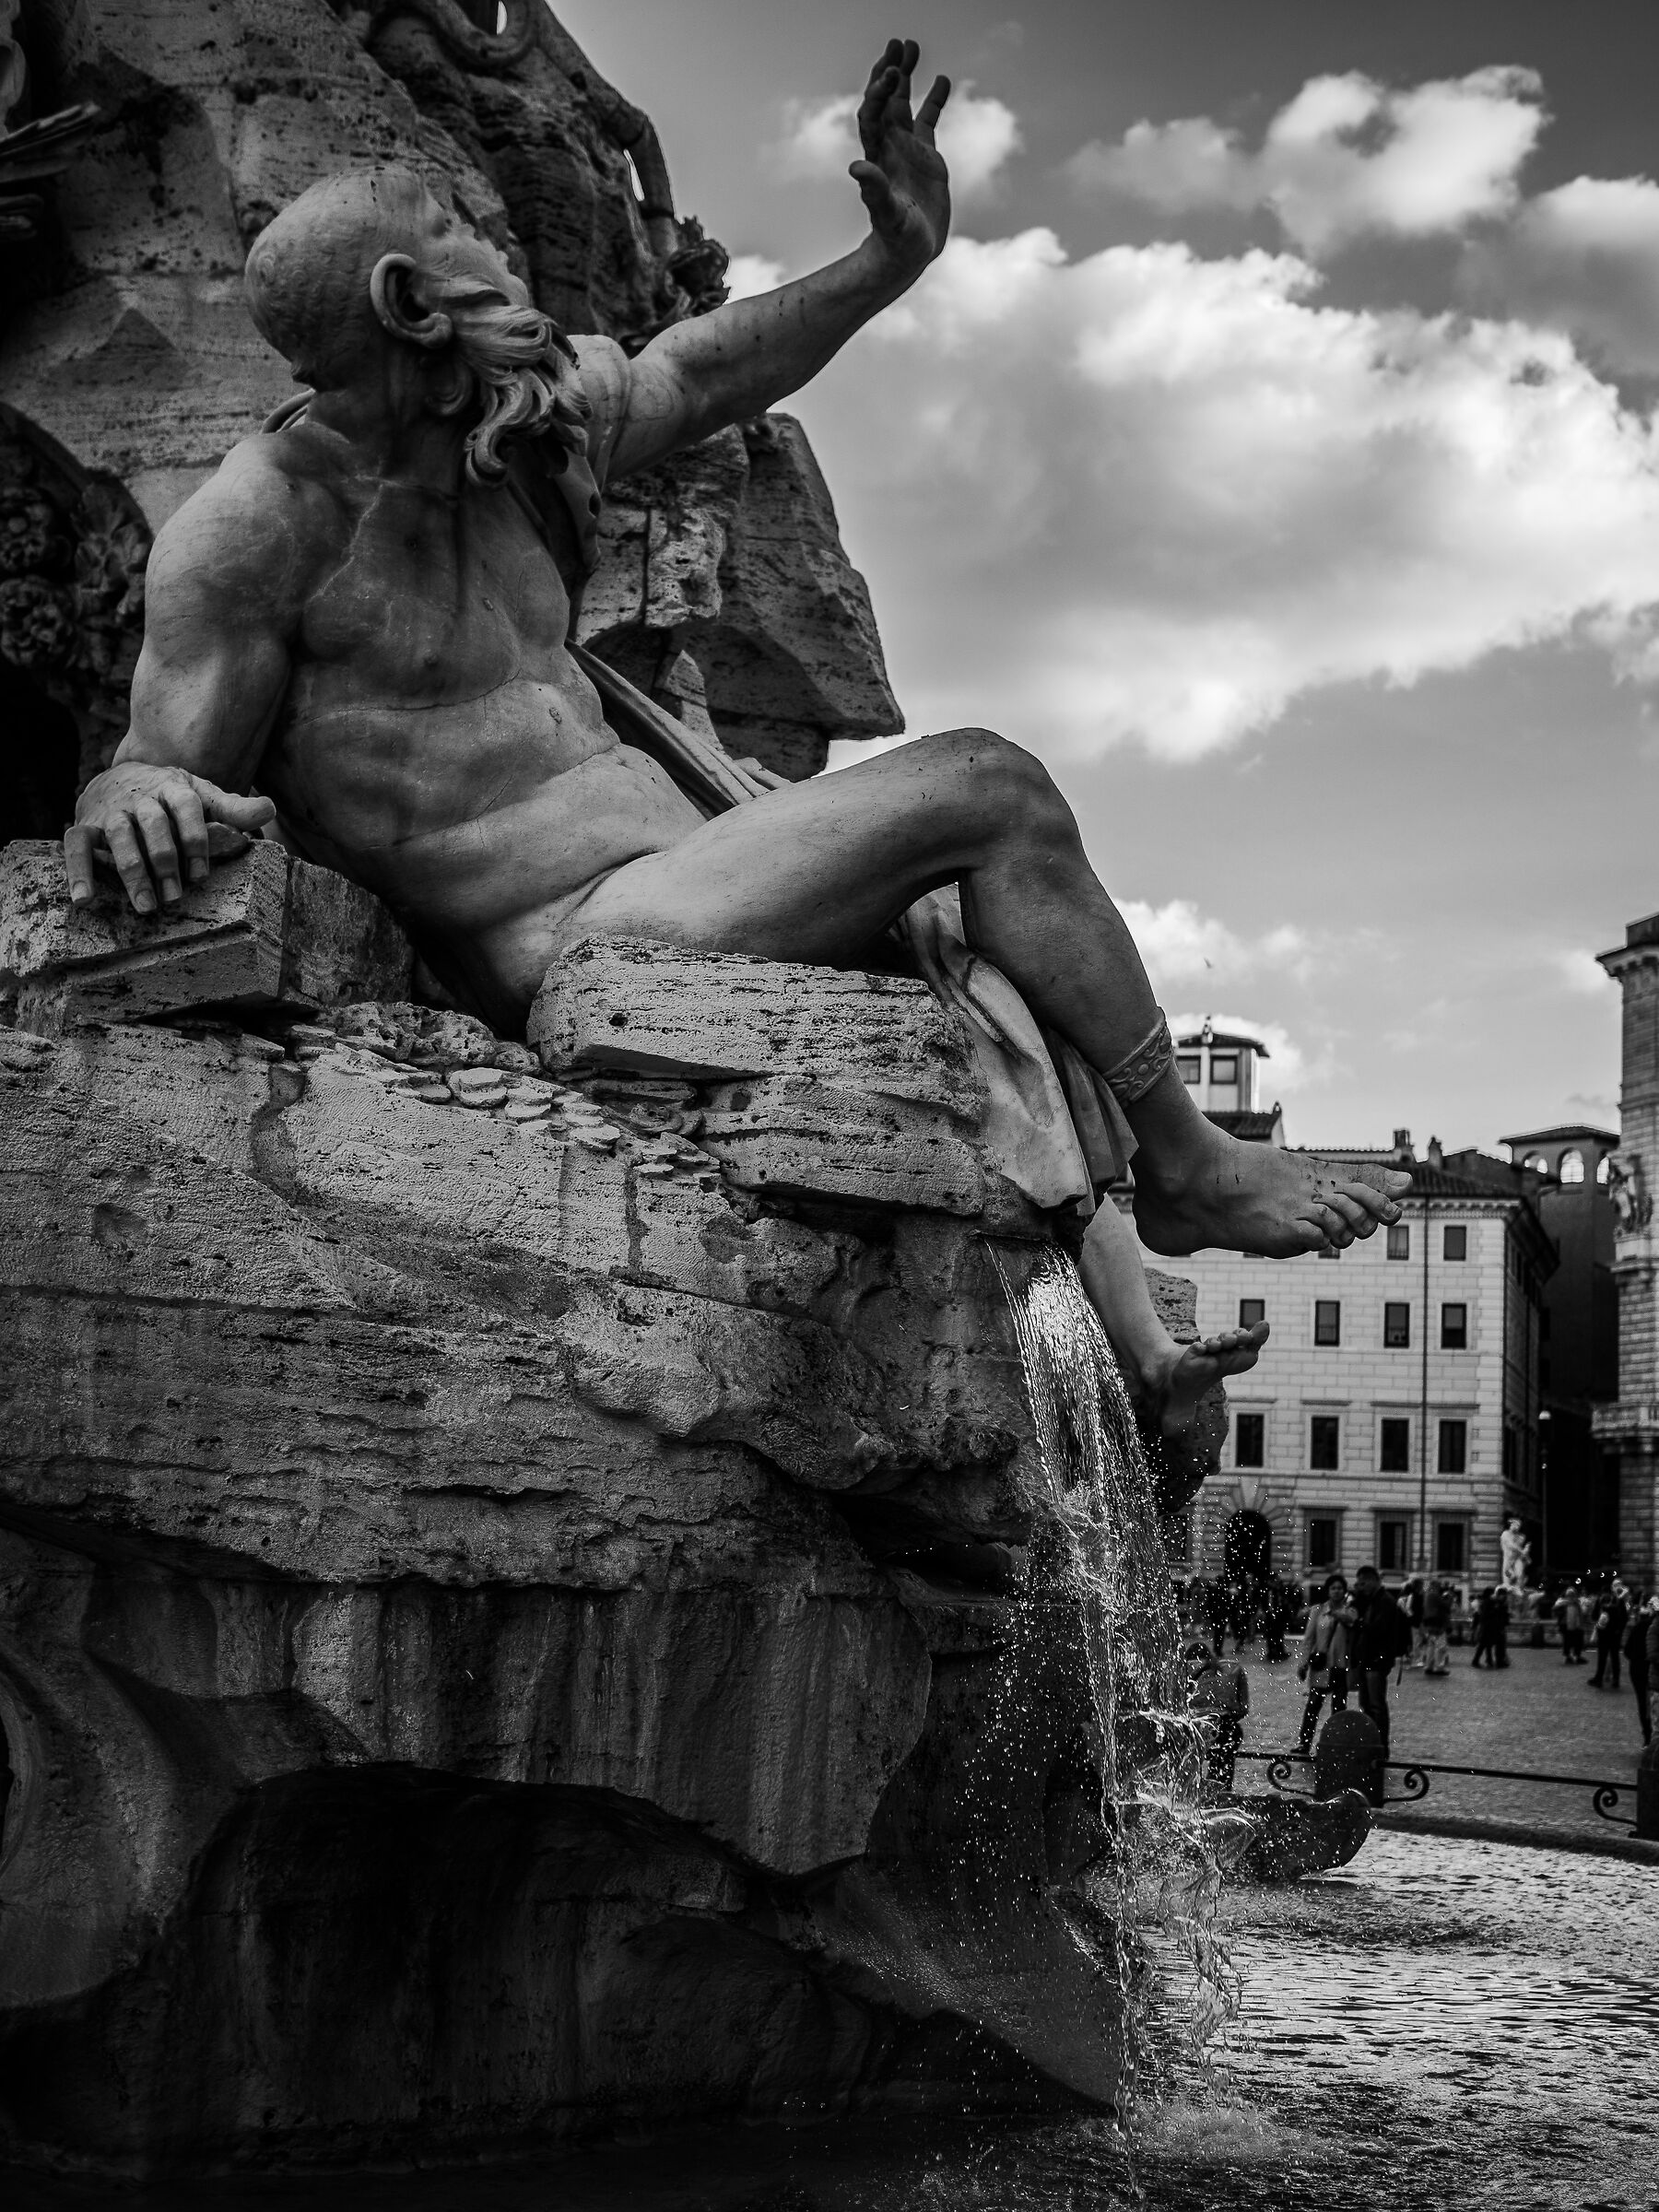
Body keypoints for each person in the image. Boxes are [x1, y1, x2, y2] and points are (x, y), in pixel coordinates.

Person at [62, 55, 1411, 1339]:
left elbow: (699, 370)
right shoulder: (256, 536)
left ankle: (1134, 1297)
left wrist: (892, 259)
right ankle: (1188, 1165)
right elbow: (154, 756)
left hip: (695, 867)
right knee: (988, 784)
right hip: (579, 940)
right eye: (467, 233)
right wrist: (130, 794)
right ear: (415, 303)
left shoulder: (516, 434)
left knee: (972, 917)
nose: (506, 251)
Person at [1349, 1563, 1414, 1754]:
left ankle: (1380, 1745)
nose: (1360, 1587)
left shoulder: (1384, 1602)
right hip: (1369, 1659)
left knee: (1375, 1704)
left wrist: (1358, 1623)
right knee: (1367, 1703)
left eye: (1362, 1584)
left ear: (1372, 1581)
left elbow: (1378, 1630)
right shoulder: (1372, 1600)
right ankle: (1373, 1741)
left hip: (1377, 1660)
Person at [1295, 1573, 1354, 1755]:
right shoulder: (1318, 1611)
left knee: (1339, 1707)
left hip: (1342, 1666)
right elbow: (1308, 1640)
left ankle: (1337, 1743)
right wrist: (1303, 1663)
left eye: (1340, 1588)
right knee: (1313, 1705)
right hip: (1321, 1665)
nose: (1337, 1591)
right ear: (1328, 1591)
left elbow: (1353, 1626)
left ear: (1345, 1591)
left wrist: (1340, 1614)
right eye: (1333, 1588)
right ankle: (1304, 1742)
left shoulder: (1350, 1611)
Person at [1184, 1632, 1250, 1794]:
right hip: (1227, 1728)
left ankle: (1194, 1797)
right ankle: (1220, 1795)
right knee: (1222, 1769)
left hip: (1196, 1729)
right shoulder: (1233, 1669)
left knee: (1188, 1770)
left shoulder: (1183, 1671)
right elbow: (1243, 1708)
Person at [1624, 1592, 1653, 1745]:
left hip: (1638, 1671)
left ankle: (1647, 1736)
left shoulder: (1640, 1626)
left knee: (1643, 1703)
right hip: (1651, 1671)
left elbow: (1627, 1650)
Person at [1590, 1586, 1627, 1690]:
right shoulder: (1618, 1604)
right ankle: (1616, 1680)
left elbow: (1595, 1618)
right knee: (1615, 1657)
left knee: (1602, 1658)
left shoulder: (1602, 1606)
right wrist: (1619, 1631)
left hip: (1603, 1636)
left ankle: (1599, 1679)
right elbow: (1623, 1619)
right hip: (1615, 1636)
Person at [1420, 1575, 1450, 1677]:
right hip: (1437, 1623)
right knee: (1440, 1645)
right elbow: (1445, 1606)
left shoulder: (1427, 1594)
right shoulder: (1434, 1595)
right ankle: (1438, 1667)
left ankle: (1428, 1666)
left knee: (1431, 1646)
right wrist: (1448, 1597)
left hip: (1429, 1623)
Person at [1555, 1583, 1586, 1665]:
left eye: (1572, 1595)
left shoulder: (1576, 1603)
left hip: (1574, 1625)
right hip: (1566, 1624)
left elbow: (1581, 1613)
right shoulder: (1562, 1603)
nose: (1571, 1597)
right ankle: (1570, 1657)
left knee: (1575, 1641)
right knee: (1568, 1641)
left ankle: (1575, 1656)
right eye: (1570, 1595)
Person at [1470, 1587, 1498, 1668]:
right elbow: (1485, 1615)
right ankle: (1477, 1660)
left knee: (1486, 1645)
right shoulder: (1488, 1603)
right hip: (1487, 1627)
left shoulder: (1487, 1602)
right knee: (1484, 1645)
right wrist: (1494, 1610)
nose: (1494, 1595)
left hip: (1486, 1626)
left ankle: (1488, 1661)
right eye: (1493, 1593)